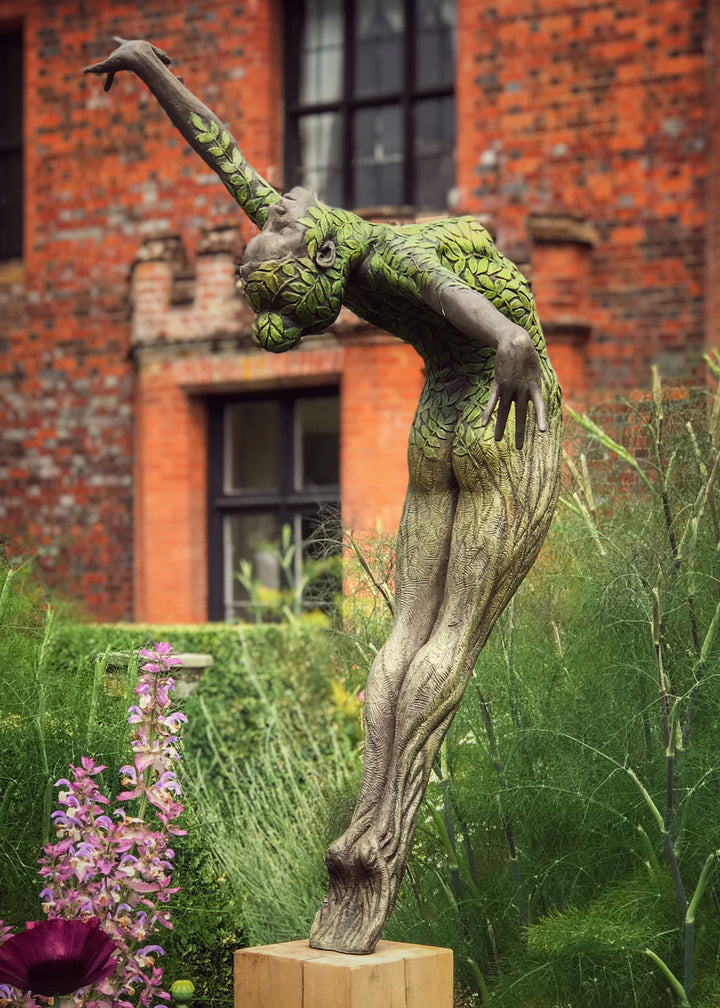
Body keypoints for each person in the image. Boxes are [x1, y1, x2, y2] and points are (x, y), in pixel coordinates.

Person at [87, 39, 563, 954]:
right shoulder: (348, 242)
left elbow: (219, 145)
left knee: (404, 636)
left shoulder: (314, 228)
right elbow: (500, 334)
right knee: (449, 636)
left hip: (444, 420)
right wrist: (149, 67)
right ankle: (380, 841)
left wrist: (150, 64)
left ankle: (362, 834)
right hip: (505, 420)